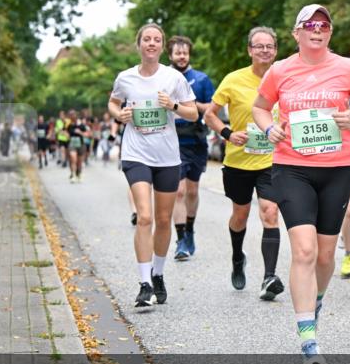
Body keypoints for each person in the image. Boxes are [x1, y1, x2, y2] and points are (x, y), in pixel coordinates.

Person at [252, 4, 350, 364]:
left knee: (325, 256)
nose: (317, 30)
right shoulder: (280, 70)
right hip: (292, 168)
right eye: (310, 25)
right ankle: (309, 337)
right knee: (304, 251)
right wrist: (267, 127)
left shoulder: (346, 68)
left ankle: (315, 303)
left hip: (337, 169)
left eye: (324, 25)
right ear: (297, 33)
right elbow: (261, 108)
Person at [108, 23, 197, 308]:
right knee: (144, 217)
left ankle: (159, 274)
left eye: (156, 40)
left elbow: (193, 113)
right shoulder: (125, 77)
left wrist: (172, 106)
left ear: (162, 47)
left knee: (163, 219)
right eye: (146, 39)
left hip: (167, 157)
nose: (151, 43)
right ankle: (144, 283)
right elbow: (112, 102)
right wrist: (119, 114)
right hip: (135, 153)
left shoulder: (173, 78)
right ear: (139, 44)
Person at [204, 26, 285, 299]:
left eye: (270, 46)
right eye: (259, 46)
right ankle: (238, 257)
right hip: (238, 160)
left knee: (270, 212)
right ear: (250, 50)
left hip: (271, 160)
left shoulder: (284, 79)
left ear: (275, 50)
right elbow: (210, 115)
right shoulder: (233, 79)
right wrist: (227, 133)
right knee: (240, 215)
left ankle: (269, 277)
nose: (265, 50)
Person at [168, 36, 215, 261]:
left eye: (185, 52)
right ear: (170, 56)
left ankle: (189, 229)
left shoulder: (201, 79)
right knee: (178, 191)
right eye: (177, 52)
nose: (182, 56)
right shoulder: (164, 79)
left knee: (193, 191)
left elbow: (212, 109)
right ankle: (180, 241)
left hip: (196, 140)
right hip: (172, 141)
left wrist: (190, 104)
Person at [65, 110, 90, 182]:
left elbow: (87, 134)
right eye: (70, 115)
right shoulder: (68, 124)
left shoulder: (81, 125)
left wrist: (80, 132)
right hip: (72, 144)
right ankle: (73, 175)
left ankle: (78, 173)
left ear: (76, 116)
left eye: (73, 115)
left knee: (79, 162)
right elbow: (64, 131)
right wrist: (67, 135)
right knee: (73, 159)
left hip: (80, 144)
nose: (71, 116)